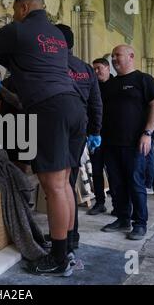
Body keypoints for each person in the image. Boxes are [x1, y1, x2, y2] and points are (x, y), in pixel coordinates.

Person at [0, 0, 86, 276]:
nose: (15, 13)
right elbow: (26, 61)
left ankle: (57, 258)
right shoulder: (55, 35)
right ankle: (65, 248)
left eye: (17, 9)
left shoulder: (19, 29)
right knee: (64, 182)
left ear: (25, 7)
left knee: (53, 185)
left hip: (49, 108)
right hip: (73, 106)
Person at [101, 45, 154, 240]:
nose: (114, 59)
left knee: (135, 183)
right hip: (110, 144)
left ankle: (140, 223)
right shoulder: (110, 84)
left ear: (131, 56)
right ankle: (122, 218)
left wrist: (147, 133)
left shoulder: (144, 80)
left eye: (117, 55)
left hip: (135, 144)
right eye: (112, 56)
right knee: (117, 184)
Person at [55, 24, 103, 256]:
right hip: (81, 130)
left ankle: (63, 239)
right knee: (69, 181)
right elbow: (96, 103)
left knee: (58, 185)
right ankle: (70, 236)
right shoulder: (86, 68)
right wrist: (95, 131)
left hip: (59, 126)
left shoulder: (52, 63)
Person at [87, 58, 114, 215]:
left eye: (99, 68)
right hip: (95, 136)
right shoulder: (92, 85)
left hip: (112, 137)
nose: (96, 72)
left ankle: (118, 204)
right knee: (96, 171)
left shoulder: (116, 85)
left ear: (107, 68)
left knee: (113, 171)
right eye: (94, 69)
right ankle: (100, 202)